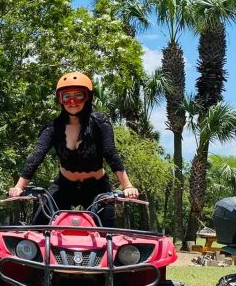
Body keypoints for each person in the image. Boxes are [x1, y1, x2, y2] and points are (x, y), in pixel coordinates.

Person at [8, 71, 138, 225]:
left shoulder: (99, 122)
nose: (73, 101)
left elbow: (110, 153)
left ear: (88, 96)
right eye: (66, 96)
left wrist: (128, 186)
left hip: (97, 186)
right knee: (39, 226)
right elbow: (36, 156)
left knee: (107, 232)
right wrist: (18, 187)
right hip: (64, 186)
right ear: (60, 99)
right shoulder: (53, 127)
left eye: (79, 95)